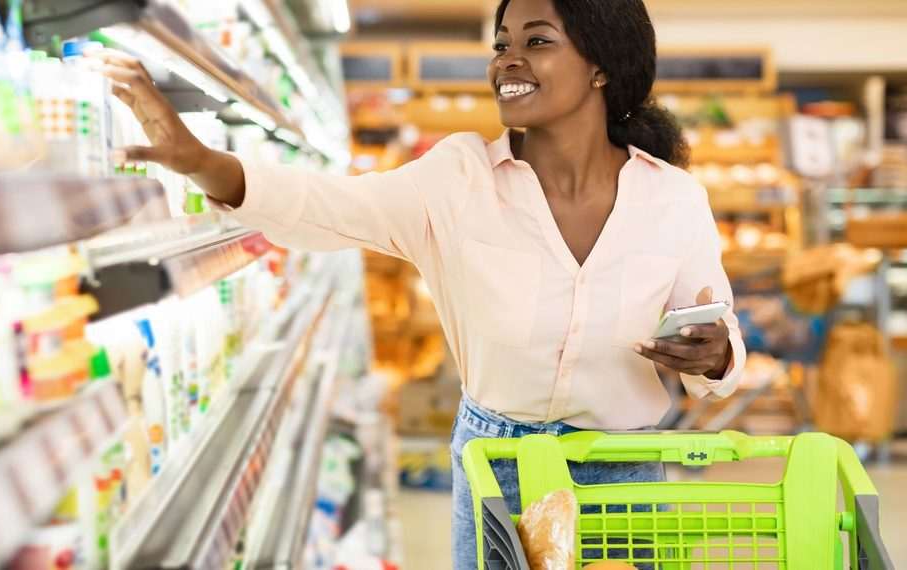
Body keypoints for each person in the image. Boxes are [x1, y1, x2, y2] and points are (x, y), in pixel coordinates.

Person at [93, 0, 745, 567]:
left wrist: (714, 354)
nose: (508, 60)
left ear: (601, 64)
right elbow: (329, 206)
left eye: (537, 41)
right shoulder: (459, 179)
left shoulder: (672, 199)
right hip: (501, 469)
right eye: (502, 44)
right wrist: (206, 164)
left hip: (621, 474)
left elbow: (717, 338)